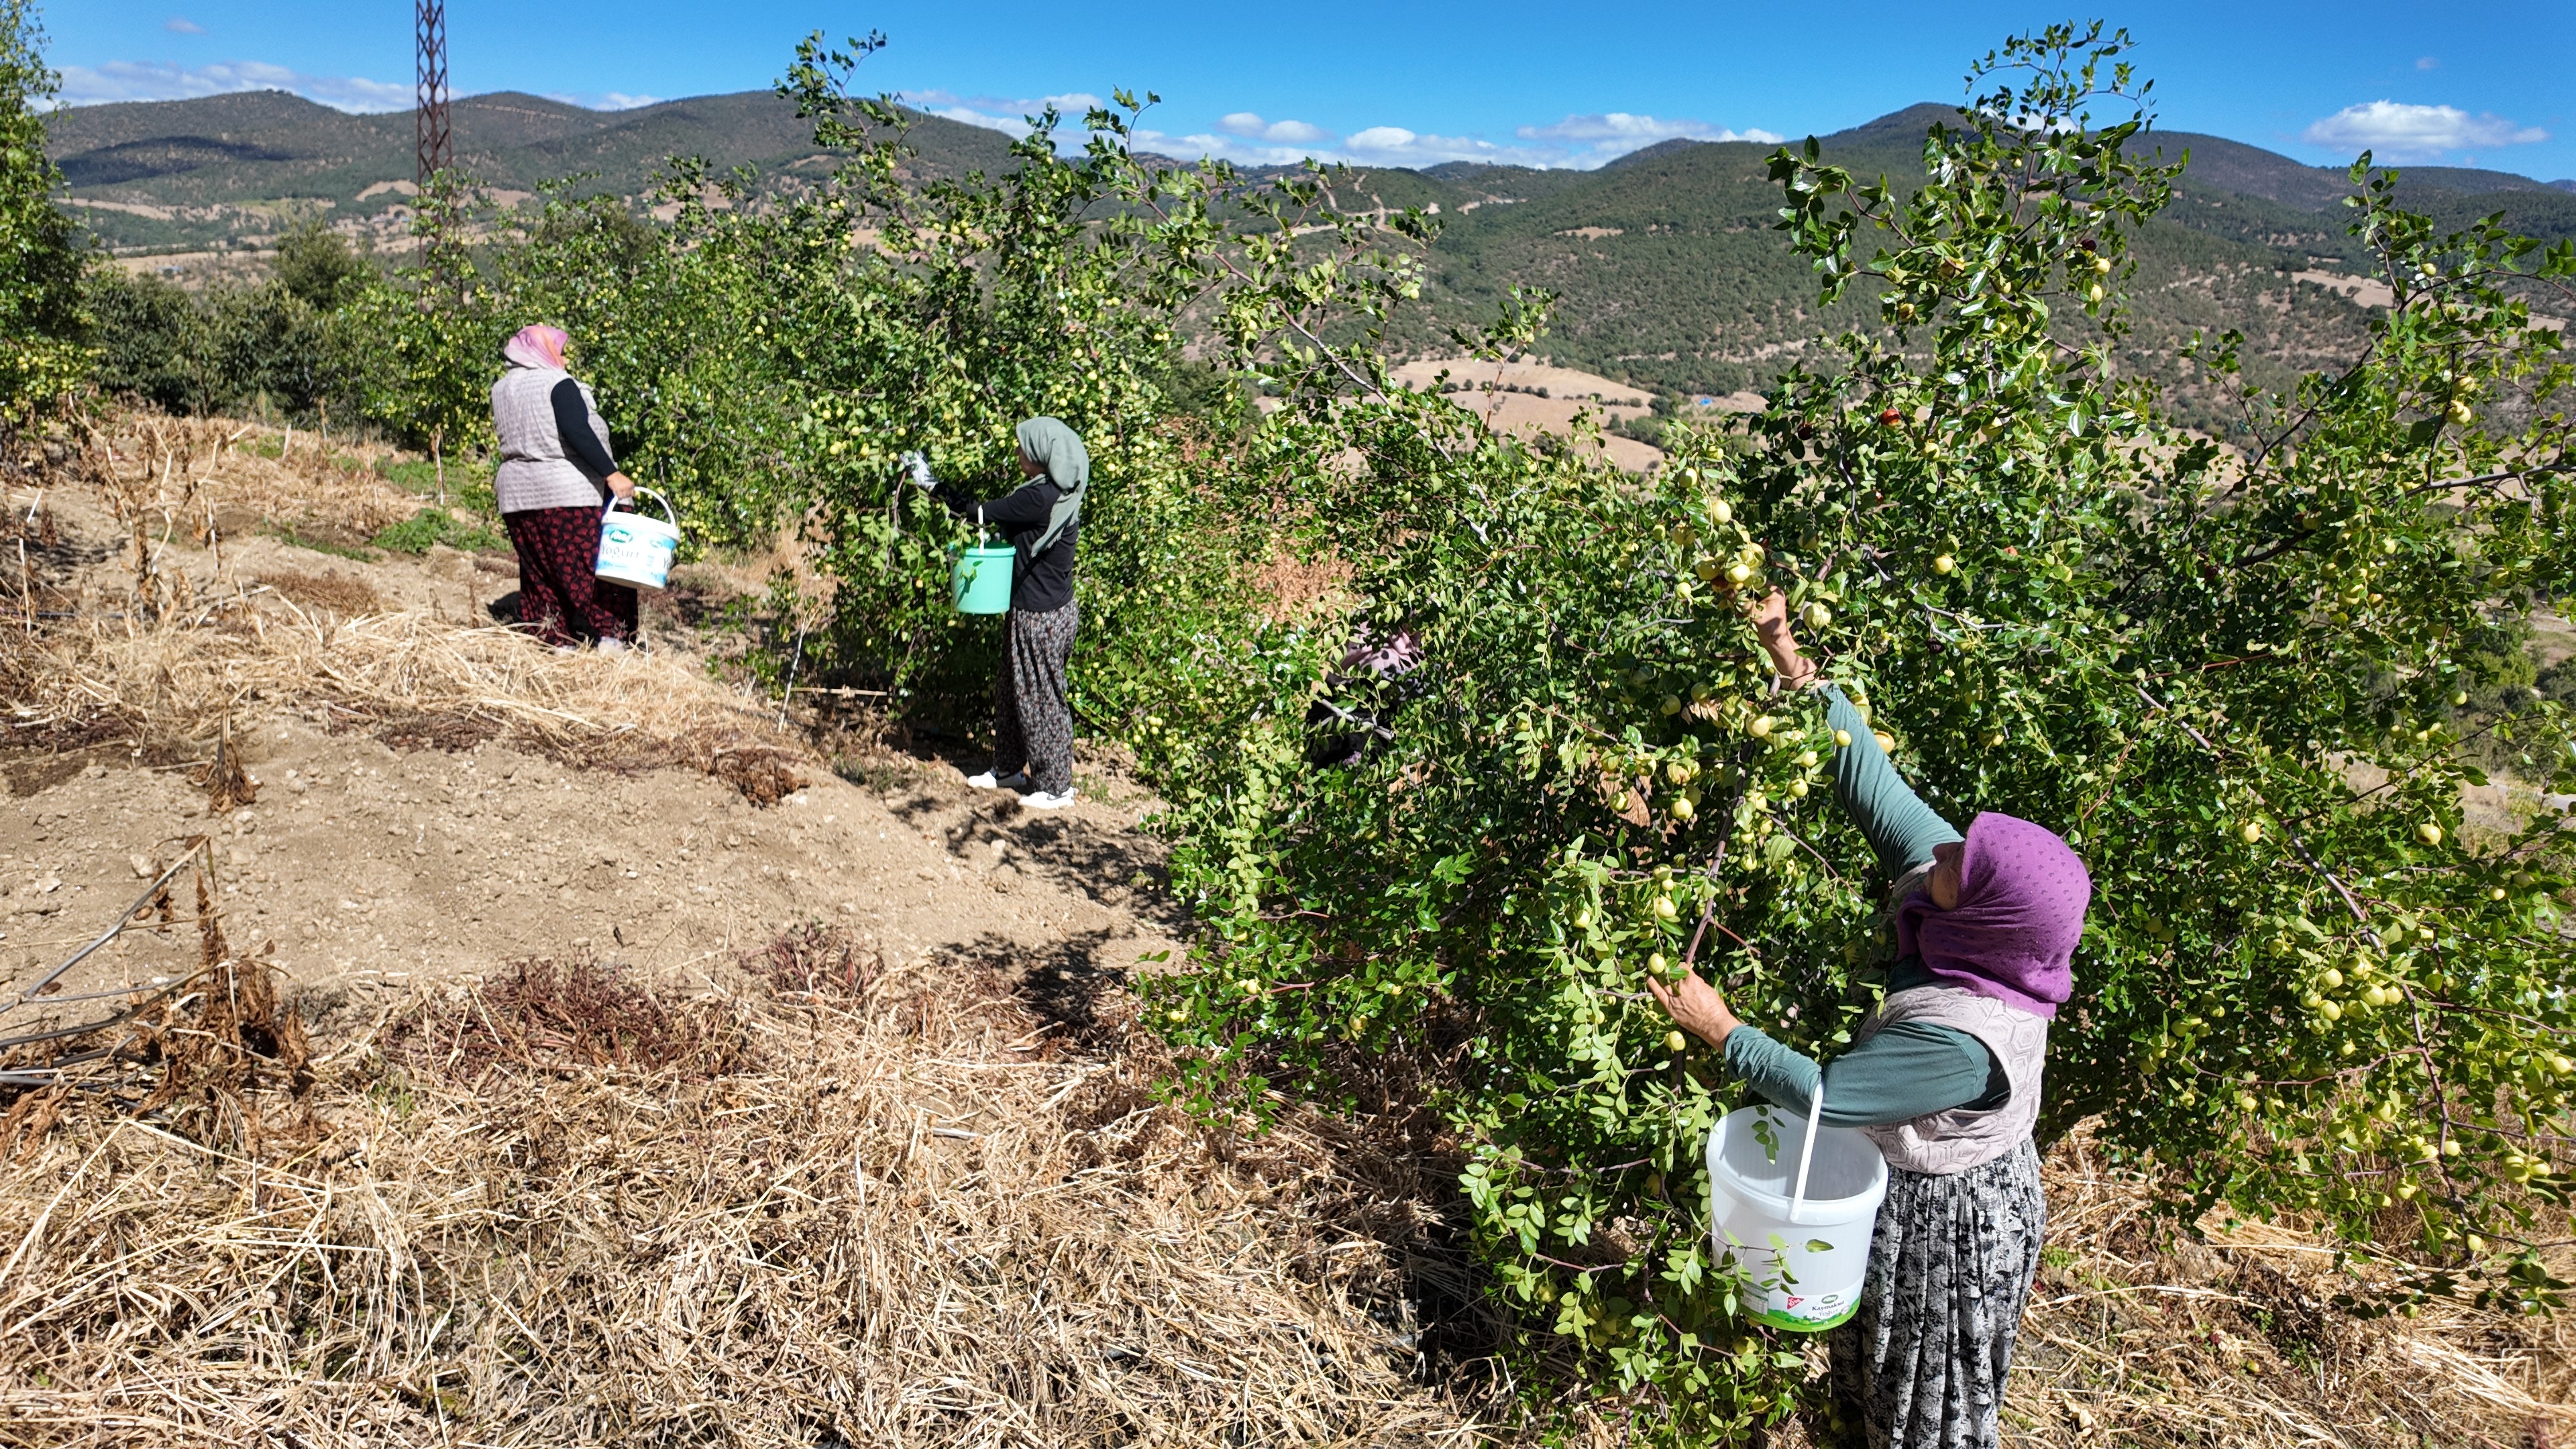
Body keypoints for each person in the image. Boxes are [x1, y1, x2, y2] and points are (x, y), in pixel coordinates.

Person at [1649, 591, 2090, 1449]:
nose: (1945, 850)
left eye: (1963, 863)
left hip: (1952, 1224)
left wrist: (1722, 1030)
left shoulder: (1964, 1042)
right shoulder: (1967, 903)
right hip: (1907, 1183)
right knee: (1873, 1375)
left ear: (1991, 915)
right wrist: (1787, 655)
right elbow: (1874, 784)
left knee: (1927, 1395)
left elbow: (1829, 1095)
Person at [904, 419, 1087, 810]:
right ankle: (1007, 768)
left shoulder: (1040, 499)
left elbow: (979, 513)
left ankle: (1056, 787)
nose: (1018, 453)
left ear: (1041, 455)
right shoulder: (1057, 491)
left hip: (1040, 617)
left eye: (1023, 448)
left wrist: (930, 484)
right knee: (1012, 690)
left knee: (1041, 698)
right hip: (1043, 611)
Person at [489, 324, 641, 653]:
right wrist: (612, 474)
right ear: (543, 351)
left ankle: (556, 639)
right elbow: (577, 430)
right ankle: (611, 639)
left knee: (540, 571)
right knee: (596, 568)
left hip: (518, 496)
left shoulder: (501, 388)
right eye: (560, 350)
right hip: (566, 492)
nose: (565, 358)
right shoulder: (557, 383)